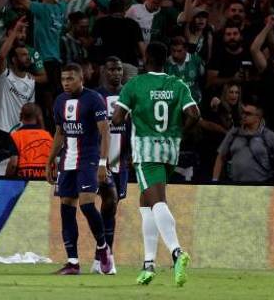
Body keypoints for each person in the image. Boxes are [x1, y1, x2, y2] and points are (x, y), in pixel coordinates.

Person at [109, 41, 200, 287]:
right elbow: (194, 115)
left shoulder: (134, 84)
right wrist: (178, 132)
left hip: (146, 151)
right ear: (166, 59)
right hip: (170, 150)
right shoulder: (177, 84)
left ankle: (177, 252)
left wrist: (115, 117)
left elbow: (117, 117)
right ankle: (148, 264)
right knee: (146, 203)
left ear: (146, 58)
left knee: (157, 200)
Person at [47, 63, 113, 276]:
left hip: (89, 159)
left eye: (70, 79)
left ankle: (103, 249)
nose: (66, 83)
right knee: (66, 206)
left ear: (81, 78)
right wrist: (50, 160)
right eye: (63, 79)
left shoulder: (93, 99)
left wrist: (103, 163)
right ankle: (73, 262)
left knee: (86, 204)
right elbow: (59, 132)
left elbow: (105, 131)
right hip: (67, 160)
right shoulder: (59, 101)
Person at [96, 57, 130, 270]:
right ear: (103, 71)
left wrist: (133, 152)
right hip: (100, 161)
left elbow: (134, 125)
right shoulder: (96, 96)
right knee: (108, 203)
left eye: (119, 69)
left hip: (122, 161)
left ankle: (102, 257)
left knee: (112, 208)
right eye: (112, 69)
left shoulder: (129, 94)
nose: (116, 73)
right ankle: (105, 256)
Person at [211, 103, 274, 183]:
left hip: (261, 185)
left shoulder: (268, 135)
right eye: (243, 113)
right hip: (236, 185)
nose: (244, 116)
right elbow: (220, 156)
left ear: (258, 117)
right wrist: (215, 180)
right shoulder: (233, 133)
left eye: (248, 114)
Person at [6, 103, 53, 179]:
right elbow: (54, 163)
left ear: (21, 116)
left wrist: (6, 180)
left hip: (24, 181)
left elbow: (13, 164)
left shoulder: (15, 136)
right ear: (38, 117)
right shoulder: (48, 136)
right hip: (44, 181)